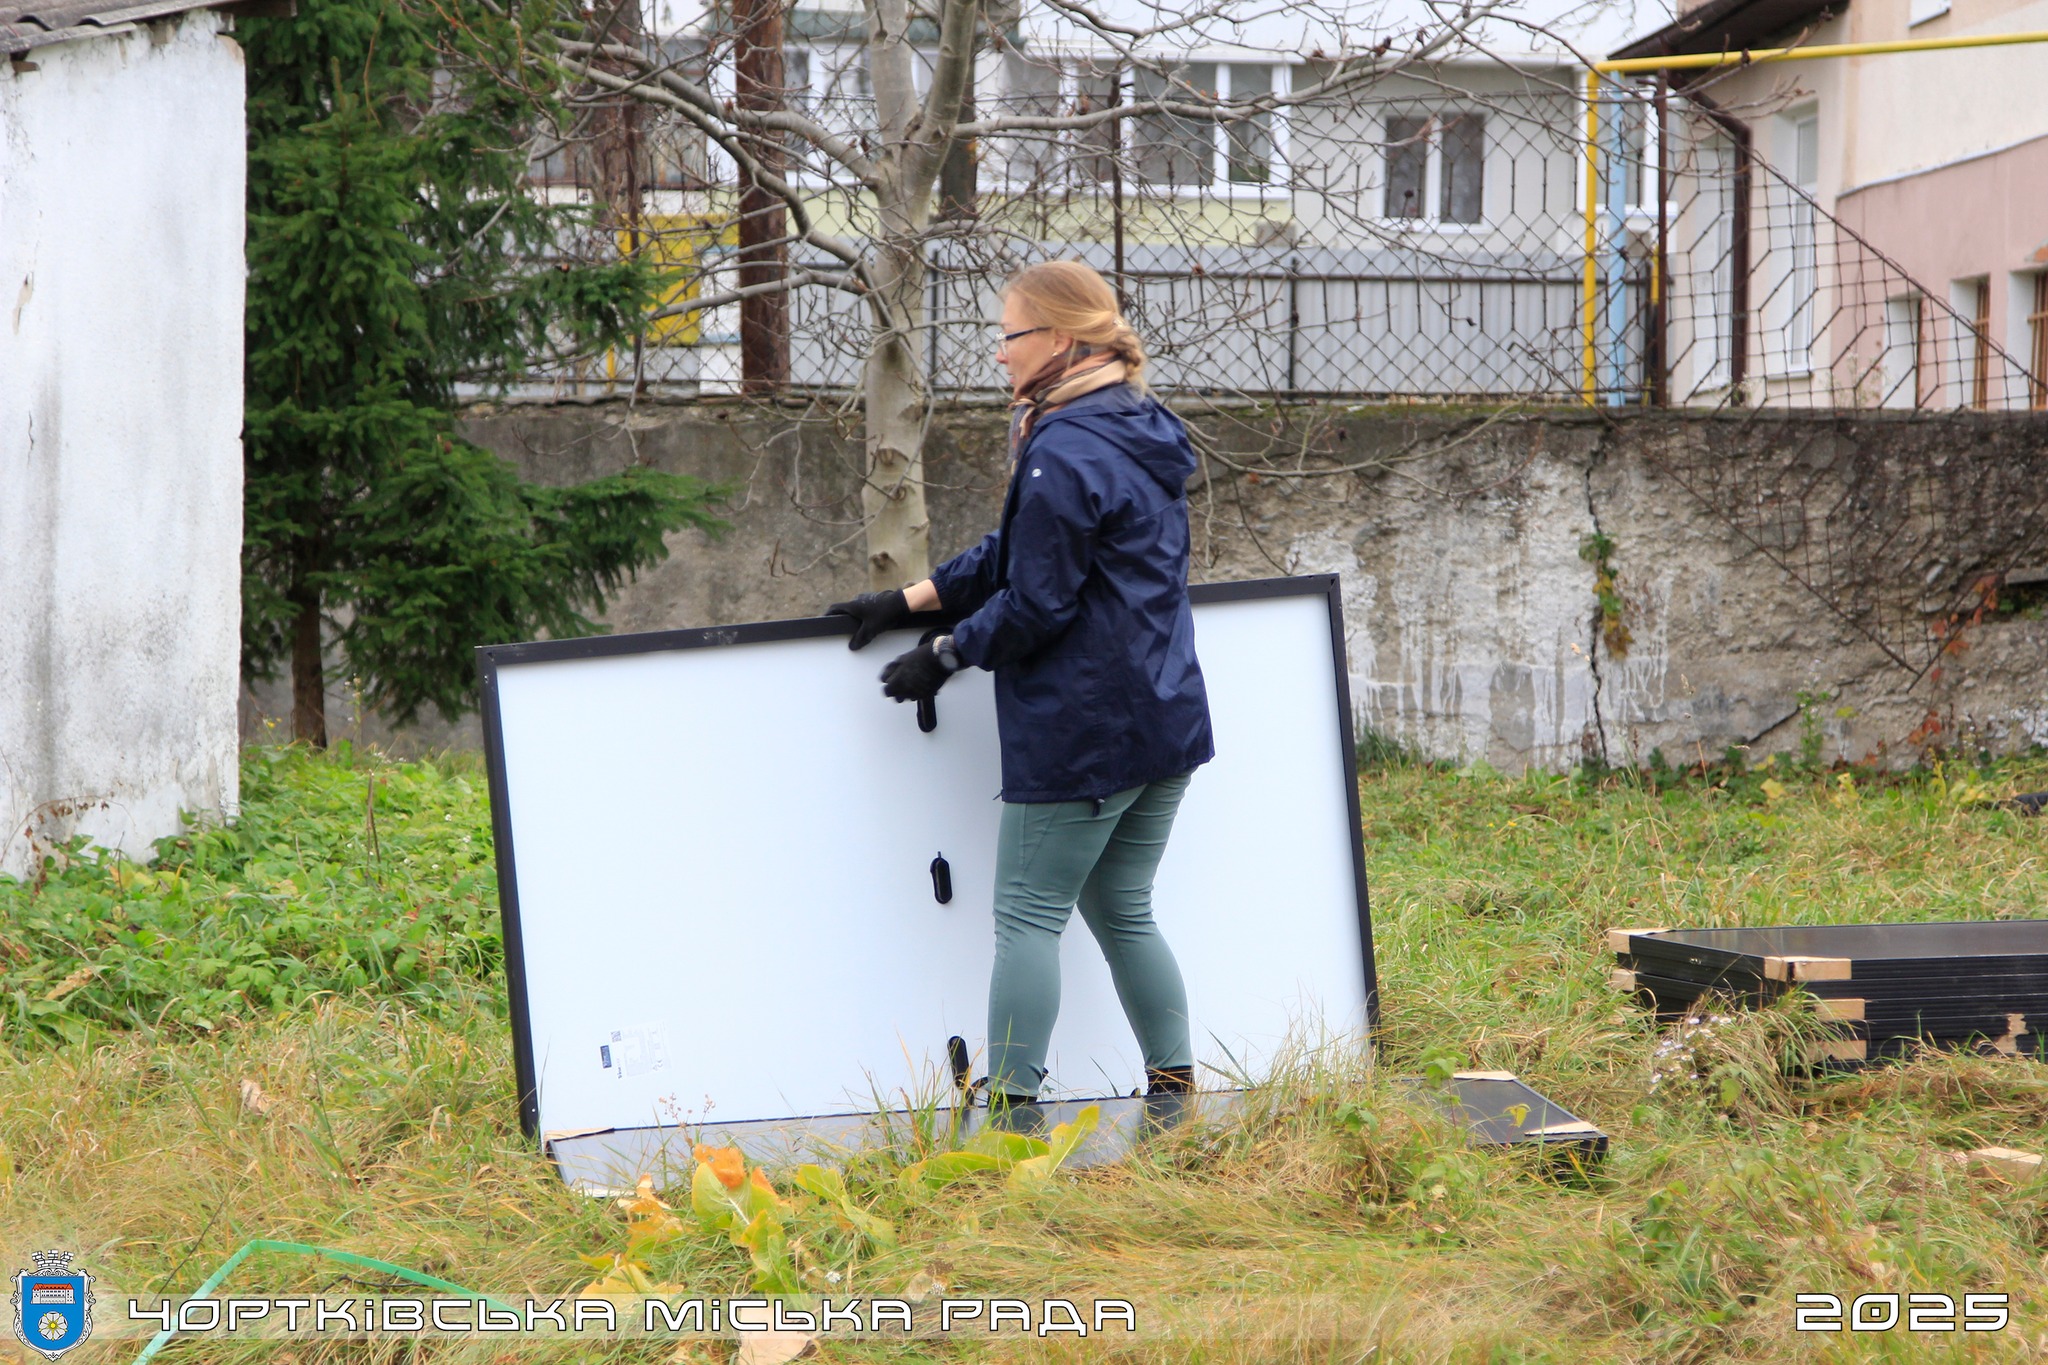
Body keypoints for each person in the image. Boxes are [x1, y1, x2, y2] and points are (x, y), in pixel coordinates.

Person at [827, 259, 1213, 1110]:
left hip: (1088, 732)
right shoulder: (1134, 424)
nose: (999, 354)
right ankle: (1178, 1091)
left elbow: (1037, 600)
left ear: (1060, 341)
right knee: (1123, 908)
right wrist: (909, 599)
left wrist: (948, 652)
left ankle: (1009, 1106)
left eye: (1010, 336)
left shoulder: (1065, 446)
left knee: (1028, 916)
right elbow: (1019, 551)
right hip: (1166, 718)